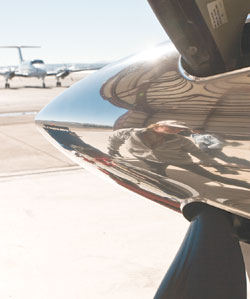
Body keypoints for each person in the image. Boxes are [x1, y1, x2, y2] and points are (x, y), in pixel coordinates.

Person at [108, 120, 250, 189]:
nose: (177, 131)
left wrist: (215, 164)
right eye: (173, 127)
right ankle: (169, 192)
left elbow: (197, 152)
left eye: (179, 129)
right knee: (160, 177)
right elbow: (114, 137)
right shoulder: (130, 133)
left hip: (181, 161)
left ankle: (244, 184)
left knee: (212, 176)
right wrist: (113, 150)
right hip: (150, 160)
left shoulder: (181, 140)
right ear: (157, 126)